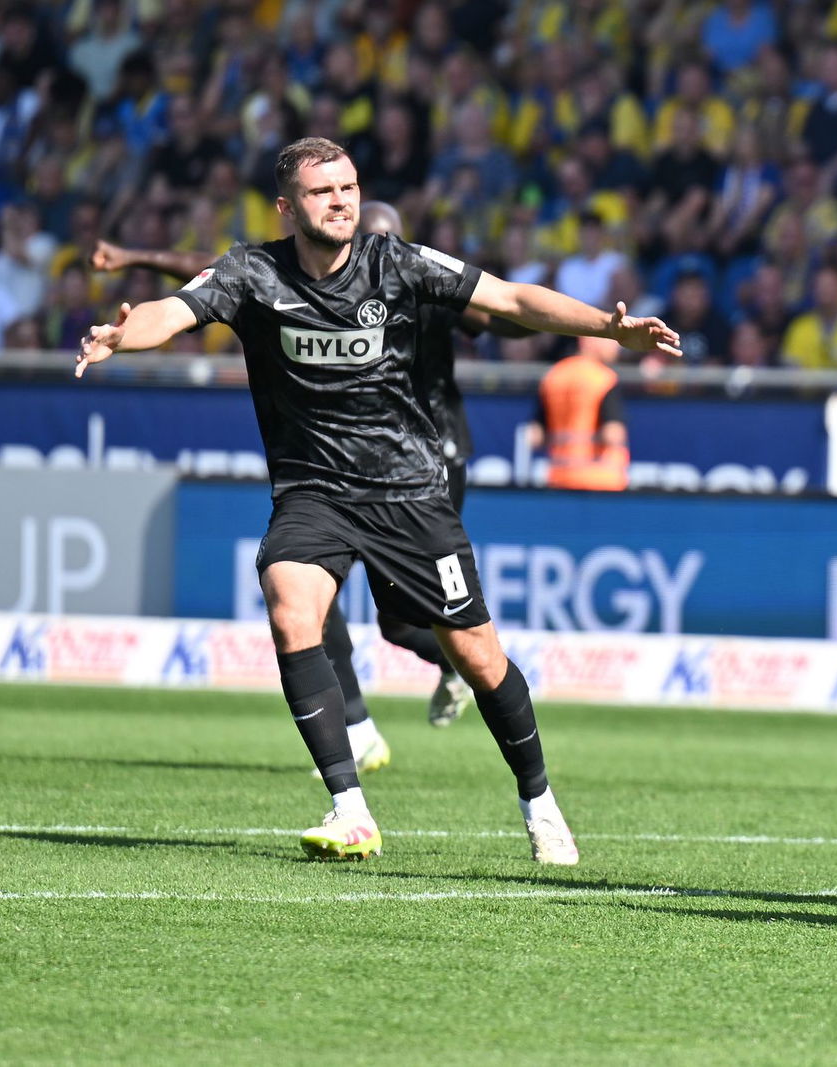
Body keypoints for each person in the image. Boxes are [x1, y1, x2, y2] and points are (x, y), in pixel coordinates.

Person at [77, 137, 681, 863]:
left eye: (349, 187)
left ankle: (540, 800)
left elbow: (513, 299)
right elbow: (171, 309)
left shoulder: (397, 264)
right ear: (287, 206)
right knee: (289, 600)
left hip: (408, 490)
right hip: (314, 488)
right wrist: (122, 333)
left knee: (479, 656)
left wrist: (610, 327)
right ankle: (350, 807)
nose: (340, 201)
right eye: (322, 191)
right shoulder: (252, 272)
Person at [89, 201, 531, 730]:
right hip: (340, 461)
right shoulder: (310, 277)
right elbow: (216, 269)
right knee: (310, 587)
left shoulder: (419, 281)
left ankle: (455, 666)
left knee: (396, 621)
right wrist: (138, 258)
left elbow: (507, 313)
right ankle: (356, 723)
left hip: (429, 458)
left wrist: (568, 322)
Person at [532, 334, 630, 491]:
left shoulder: (553, 376)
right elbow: (613, 434)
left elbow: (536, 436)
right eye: (610, 340)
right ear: (587, 340)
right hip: (602, 481)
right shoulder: (604, 378)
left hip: (560, 479)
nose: (616, 347)